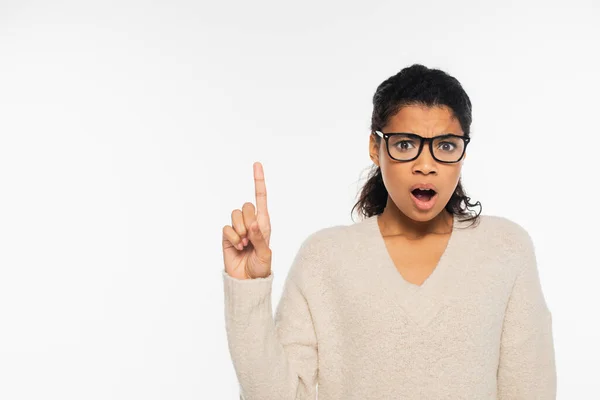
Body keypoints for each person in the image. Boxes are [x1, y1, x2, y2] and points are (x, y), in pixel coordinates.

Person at [221, 64, 556, 399]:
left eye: (446, 146)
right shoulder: (325, 257)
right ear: (375, 147)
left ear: (463, 152)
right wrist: (248, 287)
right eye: (406, 144)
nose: (426, 165)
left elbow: (530, 390)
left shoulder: (506, 250)